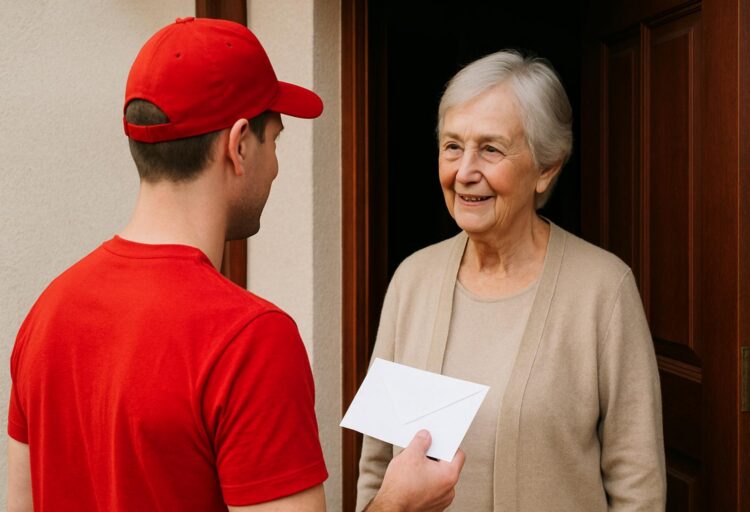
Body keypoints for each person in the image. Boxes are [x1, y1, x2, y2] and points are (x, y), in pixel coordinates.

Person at [6, 17, 463, 512]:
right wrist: (396, 503)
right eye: (275, 142)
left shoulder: (48, 313)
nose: (276, 166)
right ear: (240, 144)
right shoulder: (252, 340)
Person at [356, 50, 666, 511]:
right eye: (452, 146)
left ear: (547, 168)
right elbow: (377, 470)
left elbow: (637, 484)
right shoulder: (412, 281)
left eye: (491, 148)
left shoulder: (604, 289)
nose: (464, 172)